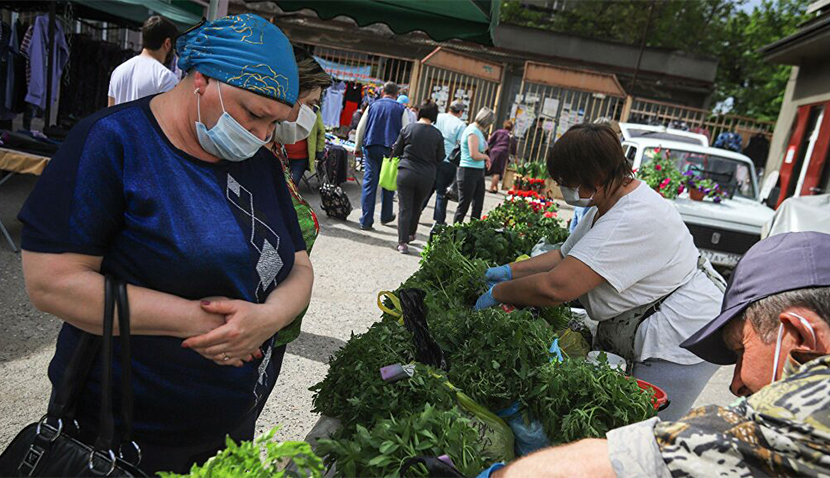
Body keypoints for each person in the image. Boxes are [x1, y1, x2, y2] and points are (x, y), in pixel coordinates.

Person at [18, 15, 313, 474]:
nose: (261, 136)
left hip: (227, 428)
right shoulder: (113, 142)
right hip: (122, 436)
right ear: (202, 79)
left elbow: (299, 266)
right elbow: (51, 283)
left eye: (275, 124)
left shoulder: (260, 164)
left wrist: (268, 318)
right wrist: (203, 324)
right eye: (253, 114)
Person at [482, 232, 830, 478]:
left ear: (798, 334)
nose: (736, 384)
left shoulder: (809, 411)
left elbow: (619, 463)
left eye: (742, 350)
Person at [477, 124, 726, 421]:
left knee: (641, 431)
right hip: (653, 316)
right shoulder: (608, 201)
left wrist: (498, 293)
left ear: (593, 177)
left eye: (565, 181)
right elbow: (562, 256)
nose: (562, 187)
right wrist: (507, 271)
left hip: (679, 336)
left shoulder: (630, 217)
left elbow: (557, 288)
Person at [354, 81, 411, 231]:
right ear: (396, 94)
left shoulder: (373, 105)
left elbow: (361, 126)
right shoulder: (400, 109)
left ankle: (366, 220)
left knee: (369, 182)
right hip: (391, 150)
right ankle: (386, 215)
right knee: (388, 179)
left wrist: (357, 146)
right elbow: (406, 131)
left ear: (382, 92)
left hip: (371, 146)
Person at [391, 101, 445, 254]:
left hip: (406, 171)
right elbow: (441, 157)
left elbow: (396, 151)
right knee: (417, 206)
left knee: (404, 207)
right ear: (434, 116)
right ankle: (411, 233)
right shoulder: (437, 134)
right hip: (426, 175)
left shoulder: (408, 128)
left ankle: (402, 243)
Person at [277, 48, 329, 186]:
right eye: (310, 103)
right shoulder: (255, 151)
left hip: (300, 157)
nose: (310, 111)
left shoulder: (274, 150)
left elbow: (320, 132)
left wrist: (318, 151)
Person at [108, 16, 179, 106]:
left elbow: (109, 113)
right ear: (167, 43)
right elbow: (169, 117)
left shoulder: (118, 71)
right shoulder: (166, 78)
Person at [426, 100, 467, 225]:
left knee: (428, 189)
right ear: (460, 112)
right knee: (442, 191)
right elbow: (460, 144)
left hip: (432, 157)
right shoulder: (461, 125)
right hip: (448, 160)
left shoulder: (438, 117)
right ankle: (439, 220)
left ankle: (416, 212)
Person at [454, 107, 494, 224]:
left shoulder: (478, 132)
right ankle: (454, 232)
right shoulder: (472, 131)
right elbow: (474, 154)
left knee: (478, 205)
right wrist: (486, 157)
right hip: (468, 171)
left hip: (477, 171)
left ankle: (473, 232)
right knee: (464, 205)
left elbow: (483, 147)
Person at [487, 120, 515, 193]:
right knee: (498, 171)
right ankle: (491, 188)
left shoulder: (498, 132)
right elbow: (513, 146)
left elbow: (489, 142)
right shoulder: (510, 135)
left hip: (494, 152)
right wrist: (513, 155)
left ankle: (495, 188)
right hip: (503, 153)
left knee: (494, 169)